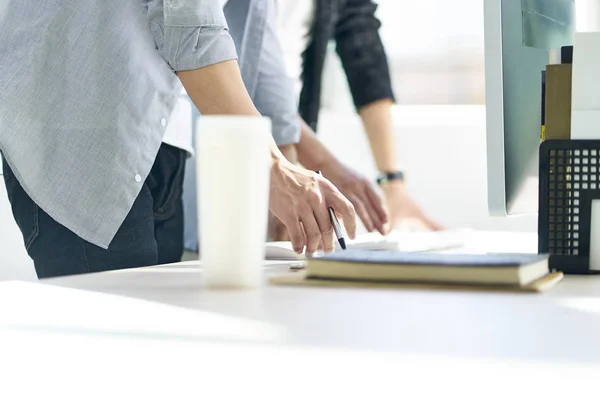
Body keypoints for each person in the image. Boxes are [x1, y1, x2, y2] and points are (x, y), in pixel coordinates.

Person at [0, 0, 356, 279]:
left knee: (163, 343)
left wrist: (286, 162)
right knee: (117, 349)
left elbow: (252, 24)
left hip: (164, 131)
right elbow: (188, 17)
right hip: (80, 122)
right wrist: (271, 167)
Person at [272, 0, 443, 236]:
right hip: (231, 128)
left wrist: (393, 186)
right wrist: (322, 163)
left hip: (287, 132)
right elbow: (243, 73)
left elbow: (359, 34)